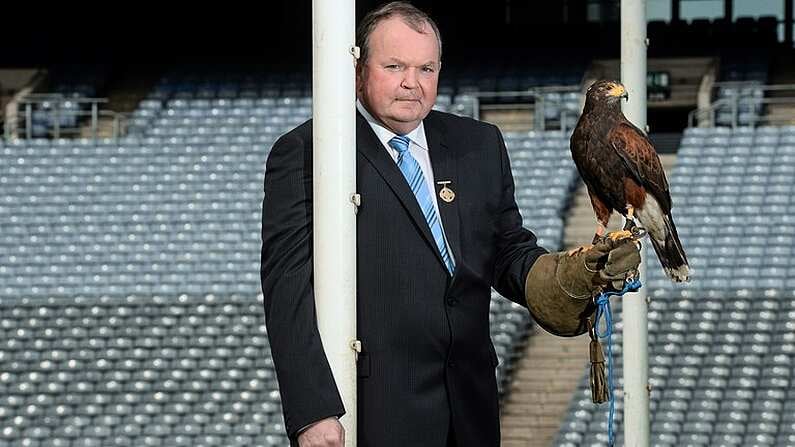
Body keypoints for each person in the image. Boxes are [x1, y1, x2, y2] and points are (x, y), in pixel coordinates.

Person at [260, 2, 641, 446]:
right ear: (358, 68)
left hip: (470, 406)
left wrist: (564, 277)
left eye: (426, 68)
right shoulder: (310, 151)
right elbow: (287, 289)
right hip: (371, 409)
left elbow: (506, 250)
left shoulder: (479, 144)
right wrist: (314, 412)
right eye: (394, 66)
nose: (412, 83)